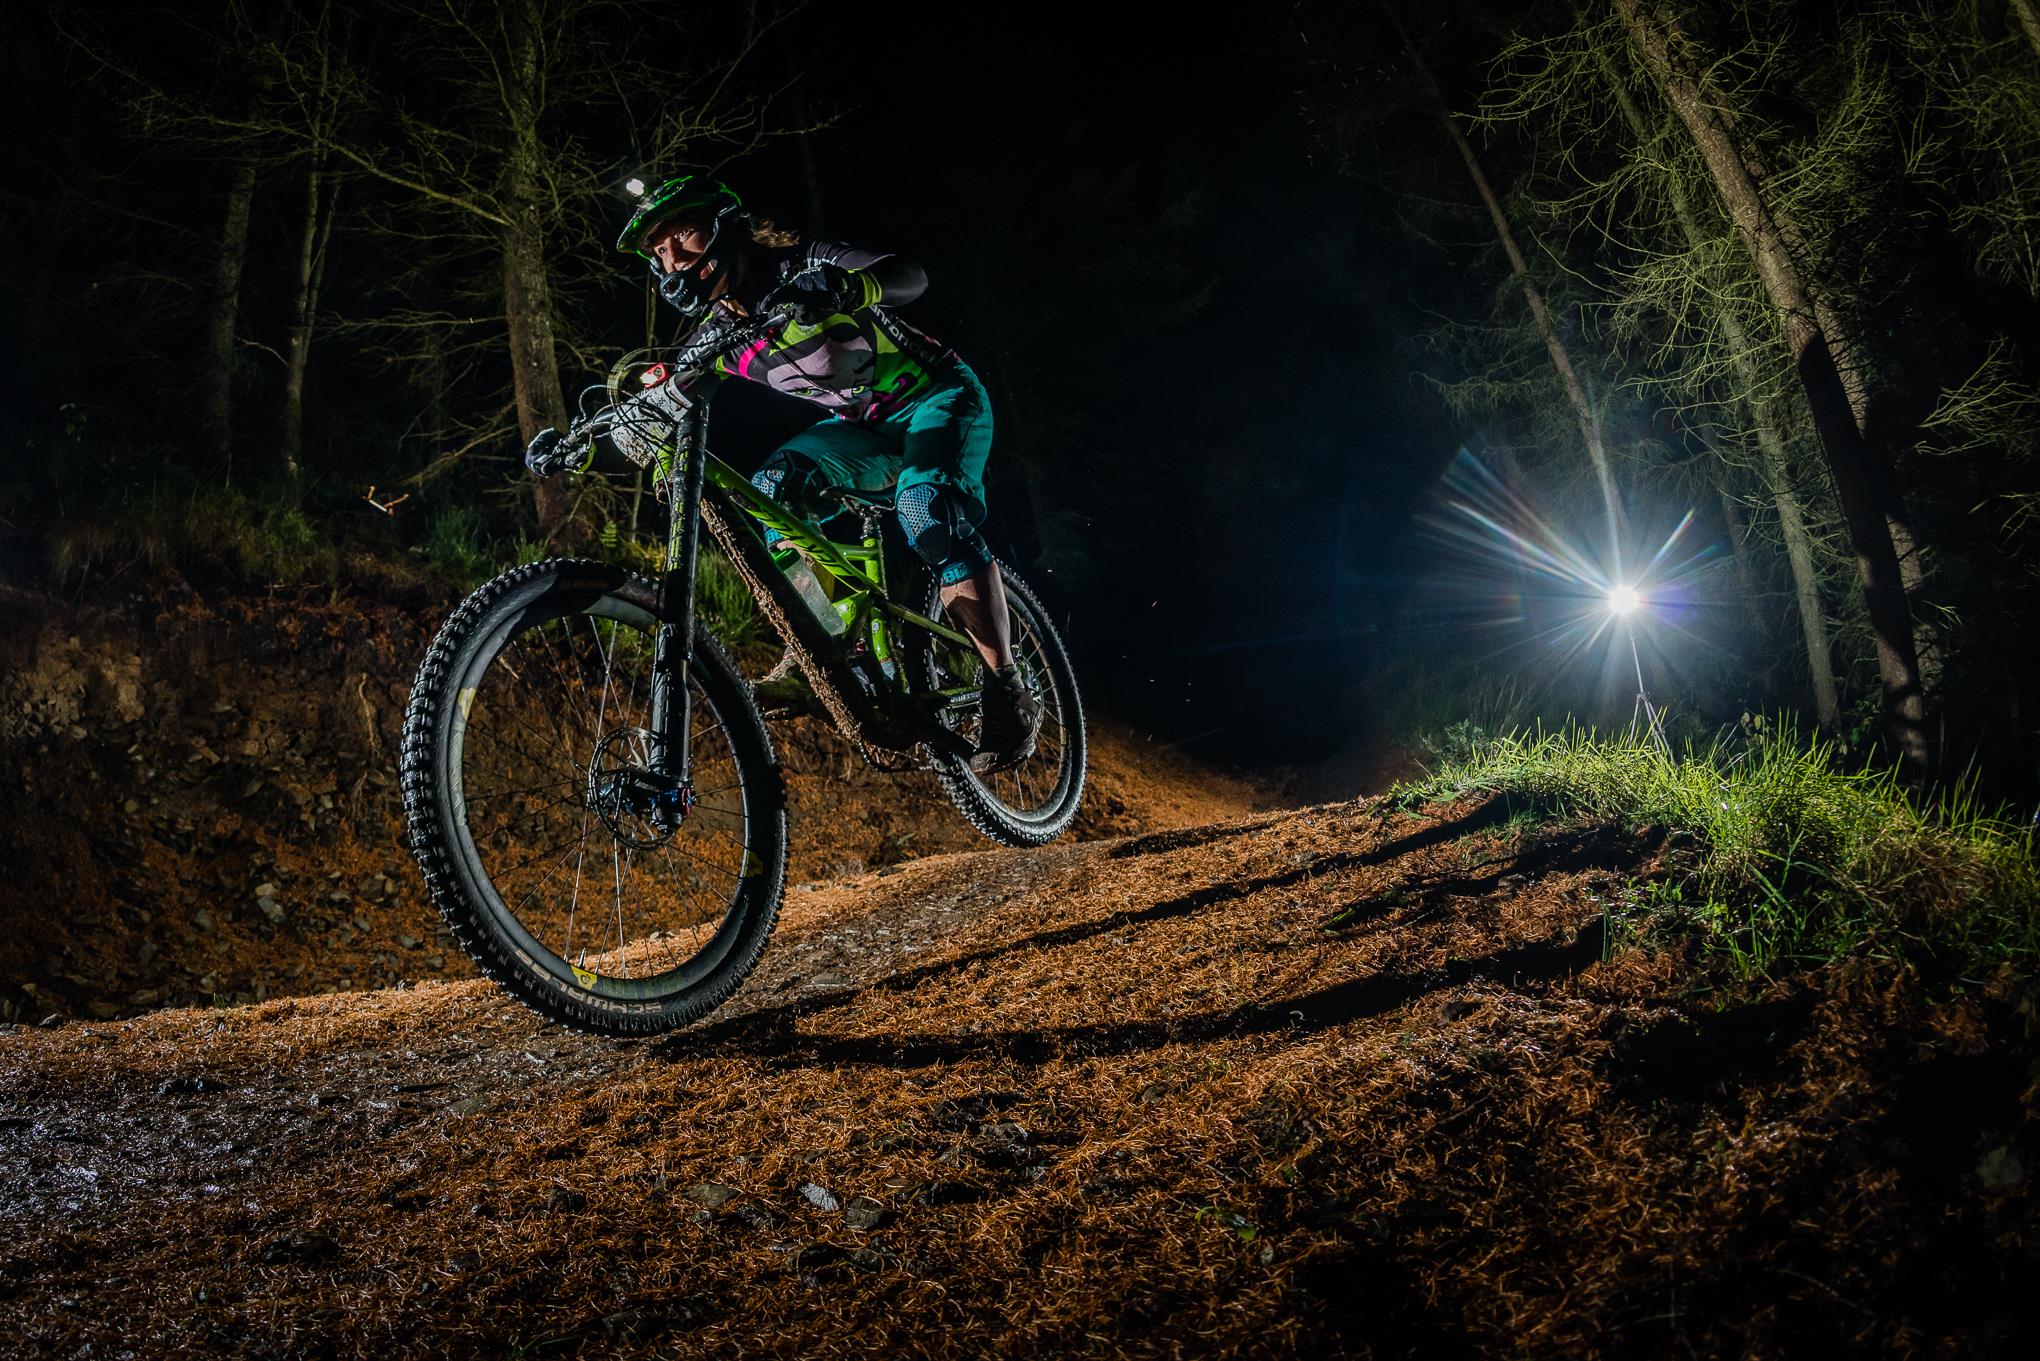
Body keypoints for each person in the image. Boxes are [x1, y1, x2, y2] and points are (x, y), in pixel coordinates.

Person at [527, 176, 1041, 773]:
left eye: (683, 234)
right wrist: (580, 450)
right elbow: (649, 421)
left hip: (938, 397)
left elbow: (910, 276)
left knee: (926, 510)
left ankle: (1006, 686)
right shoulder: (716, 340)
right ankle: (829, 642)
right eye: (659, 251)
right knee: (771, 494)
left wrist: (851, 285)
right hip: (859, 431)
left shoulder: (803, 265)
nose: (673, 258)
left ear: (723, 226)